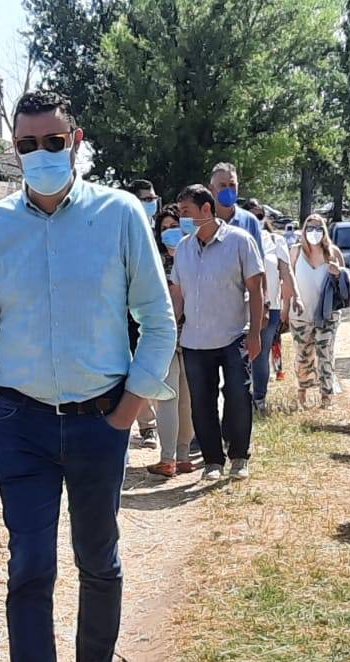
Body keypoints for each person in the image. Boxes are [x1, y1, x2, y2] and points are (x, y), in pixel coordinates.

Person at [0, 91, 177, 662]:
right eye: (26, 145)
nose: (40, 154)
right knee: (29, 571)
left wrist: (128, 408)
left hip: (98, 420)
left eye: (53, 141)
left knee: (98, 558)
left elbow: (158, 318)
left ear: (77, 139)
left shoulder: (118, 216)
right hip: (19, 426)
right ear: (12, 150)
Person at [171, 183, 265, 481]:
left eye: (187, 212)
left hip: (234, 335)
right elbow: (177, 292)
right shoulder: (184, 248)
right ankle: (213, 461)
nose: (183, 218)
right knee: (201, 402)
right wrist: (172, 328)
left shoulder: (239, 241)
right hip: (195, 340)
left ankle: (239, 456)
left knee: (238, 395)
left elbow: (256, 288)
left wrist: (255, 333)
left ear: (207, 209)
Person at [148, 206, 197, 478]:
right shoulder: (154, 261)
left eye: (174, 226)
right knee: (168, 396)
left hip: (191, 335)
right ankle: (172, 458)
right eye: (164, 228)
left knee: (184, 399)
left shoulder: (192, 257)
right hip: (165, 336)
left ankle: (180, 456)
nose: (170, 232)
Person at [287, 213, 347, 409]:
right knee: (303, 356)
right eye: (310, 228)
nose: (314, 232)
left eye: (318, 228)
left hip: (327, 314)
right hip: (300, 315)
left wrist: (338, 273)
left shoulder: (333, 252)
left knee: (325, 353)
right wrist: (285, 308)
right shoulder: (295, 252)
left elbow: (344, 285)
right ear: (303, 231)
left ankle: (326, 397)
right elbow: (287, 281)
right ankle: (302, 393)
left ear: (325, 231)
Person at [125, 179, 163, 450]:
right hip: (126, 312)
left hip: (154, 312)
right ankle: (145, 424)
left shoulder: (162, 230)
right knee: (130, 368)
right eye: (146, 199)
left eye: (153, 198)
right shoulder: (121, 231)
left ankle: (158, 424)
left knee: (153, 367)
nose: (152, 203)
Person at [249, 202, 296, 414]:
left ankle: (259, 397)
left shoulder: (275, 241)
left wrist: (293, 300)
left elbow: (286, 273)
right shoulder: (233, 240)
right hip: (240, 306)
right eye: (250, 215)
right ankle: (239, 398)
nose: (255, 218)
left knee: (260, 353)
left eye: (259, 215)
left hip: (271, 307)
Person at [209, 162, 266, 253]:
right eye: (222, 185)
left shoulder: (250, 221)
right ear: (211, 189)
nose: (228, 190)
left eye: (232, 185)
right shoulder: (203, 221)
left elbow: (259, 261)